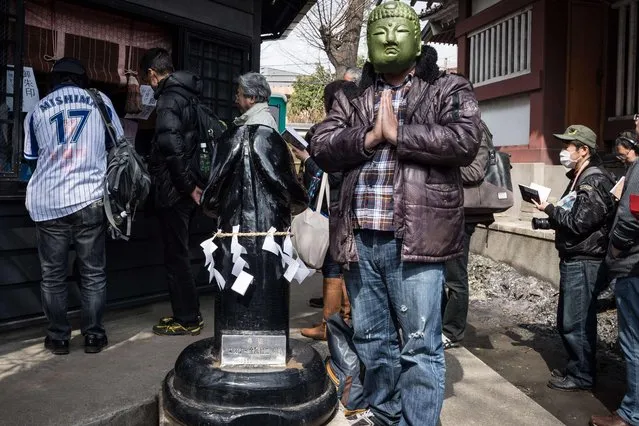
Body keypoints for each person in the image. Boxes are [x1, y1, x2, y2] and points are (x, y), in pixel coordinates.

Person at [311, 1, 481, 424]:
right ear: (368, 41)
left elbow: (465, 140)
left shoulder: (447, 88)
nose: (388, 38)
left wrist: (400, 134)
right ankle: (386, 414)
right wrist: (369, 137)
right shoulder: (353, 96)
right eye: (379, 32)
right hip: (360, 237)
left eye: (397, 30)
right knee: (372, 339)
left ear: (417, 38)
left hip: (415, 240)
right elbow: (321, 144)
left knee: (421, 345)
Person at [24, 57, 121, 354]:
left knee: (52, 274)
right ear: (83, 79)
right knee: (93, 272)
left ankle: (58, 338)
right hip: (90, 198)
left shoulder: (38, 109)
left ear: (54, 80)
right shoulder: (99, 100)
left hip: (49, 202)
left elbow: (29, 158)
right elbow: (117, 141)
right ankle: (93, 336)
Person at [532, 125, 617, 392]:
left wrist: (550, 209)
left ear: (584, 150)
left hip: (585, 260)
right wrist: (547, 219)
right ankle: (577, 367)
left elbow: (580, 223)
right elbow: (574, 215)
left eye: (569, 146)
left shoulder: (593, 180)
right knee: (571, 317)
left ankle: (581, 374)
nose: (563, 151)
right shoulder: (579, 176)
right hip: (576, 257)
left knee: (576, 320)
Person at [140, 47, 205, 336]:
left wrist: (187, 186)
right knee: (180, 252)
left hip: (175, 189)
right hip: (186, 187)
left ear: (153, 74)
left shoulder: (168, 99)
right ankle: (186, 313)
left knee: (176, 255)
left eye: (148, 78)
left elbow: (170, 145)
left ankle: (188, 319)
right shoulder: (188, 95)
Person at [291, 80, 352, 340]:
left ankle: (330, 326)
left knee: (333, 266)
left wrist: (306, 159)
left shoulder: (337, 134)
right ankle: (345, 318)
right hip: (352, 209)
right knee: (343, 266)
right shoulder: (360, 128)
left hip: (337, 209)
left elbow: (333, 176)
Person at [590, 115, 639, 426]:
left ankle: (632, 412)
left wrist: (617, 247)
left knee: (633, 342)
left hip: (633, 266)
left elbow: (633, 216)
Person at [442, 120, 495, 349]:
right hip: (445, 211)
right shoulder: (450, 126)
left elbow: (475, 171)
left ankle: (452, 331)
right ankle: (441, 324)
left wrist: (440, 165)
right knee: (440, 274)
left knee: (455, 275)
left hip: (463, 213)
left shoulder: (477, 129)